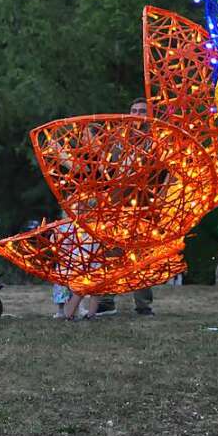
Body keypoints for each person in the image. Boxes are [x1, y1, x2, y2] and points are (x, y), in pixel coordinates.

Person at [96, 96, 155, 316]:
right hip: (116, 204)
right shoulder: (119, 143)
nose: (137, 114)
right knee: (111, 253)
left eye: (142, 111)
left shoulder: (156, 142)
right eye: (134, 111)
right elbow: (107, 170)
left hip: (143, 205)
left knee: (141, 257)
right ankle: (106, 299)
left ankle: (143, 305)